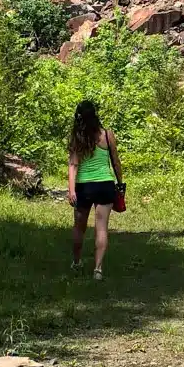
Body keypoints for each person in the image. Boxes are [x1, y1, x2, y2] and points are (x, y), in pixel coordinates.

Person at [67, 99, 123, 279]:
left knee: (79, 227)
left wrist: (71, 190)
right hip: (105, 185)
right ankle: (98, 269)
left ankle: (76, 262)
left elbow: (73, 165)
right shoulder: (107, 135)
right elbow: (115, 161)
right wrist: (120, 183)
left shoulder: (78, 137)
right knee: (101, 228)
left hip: (84, 186)